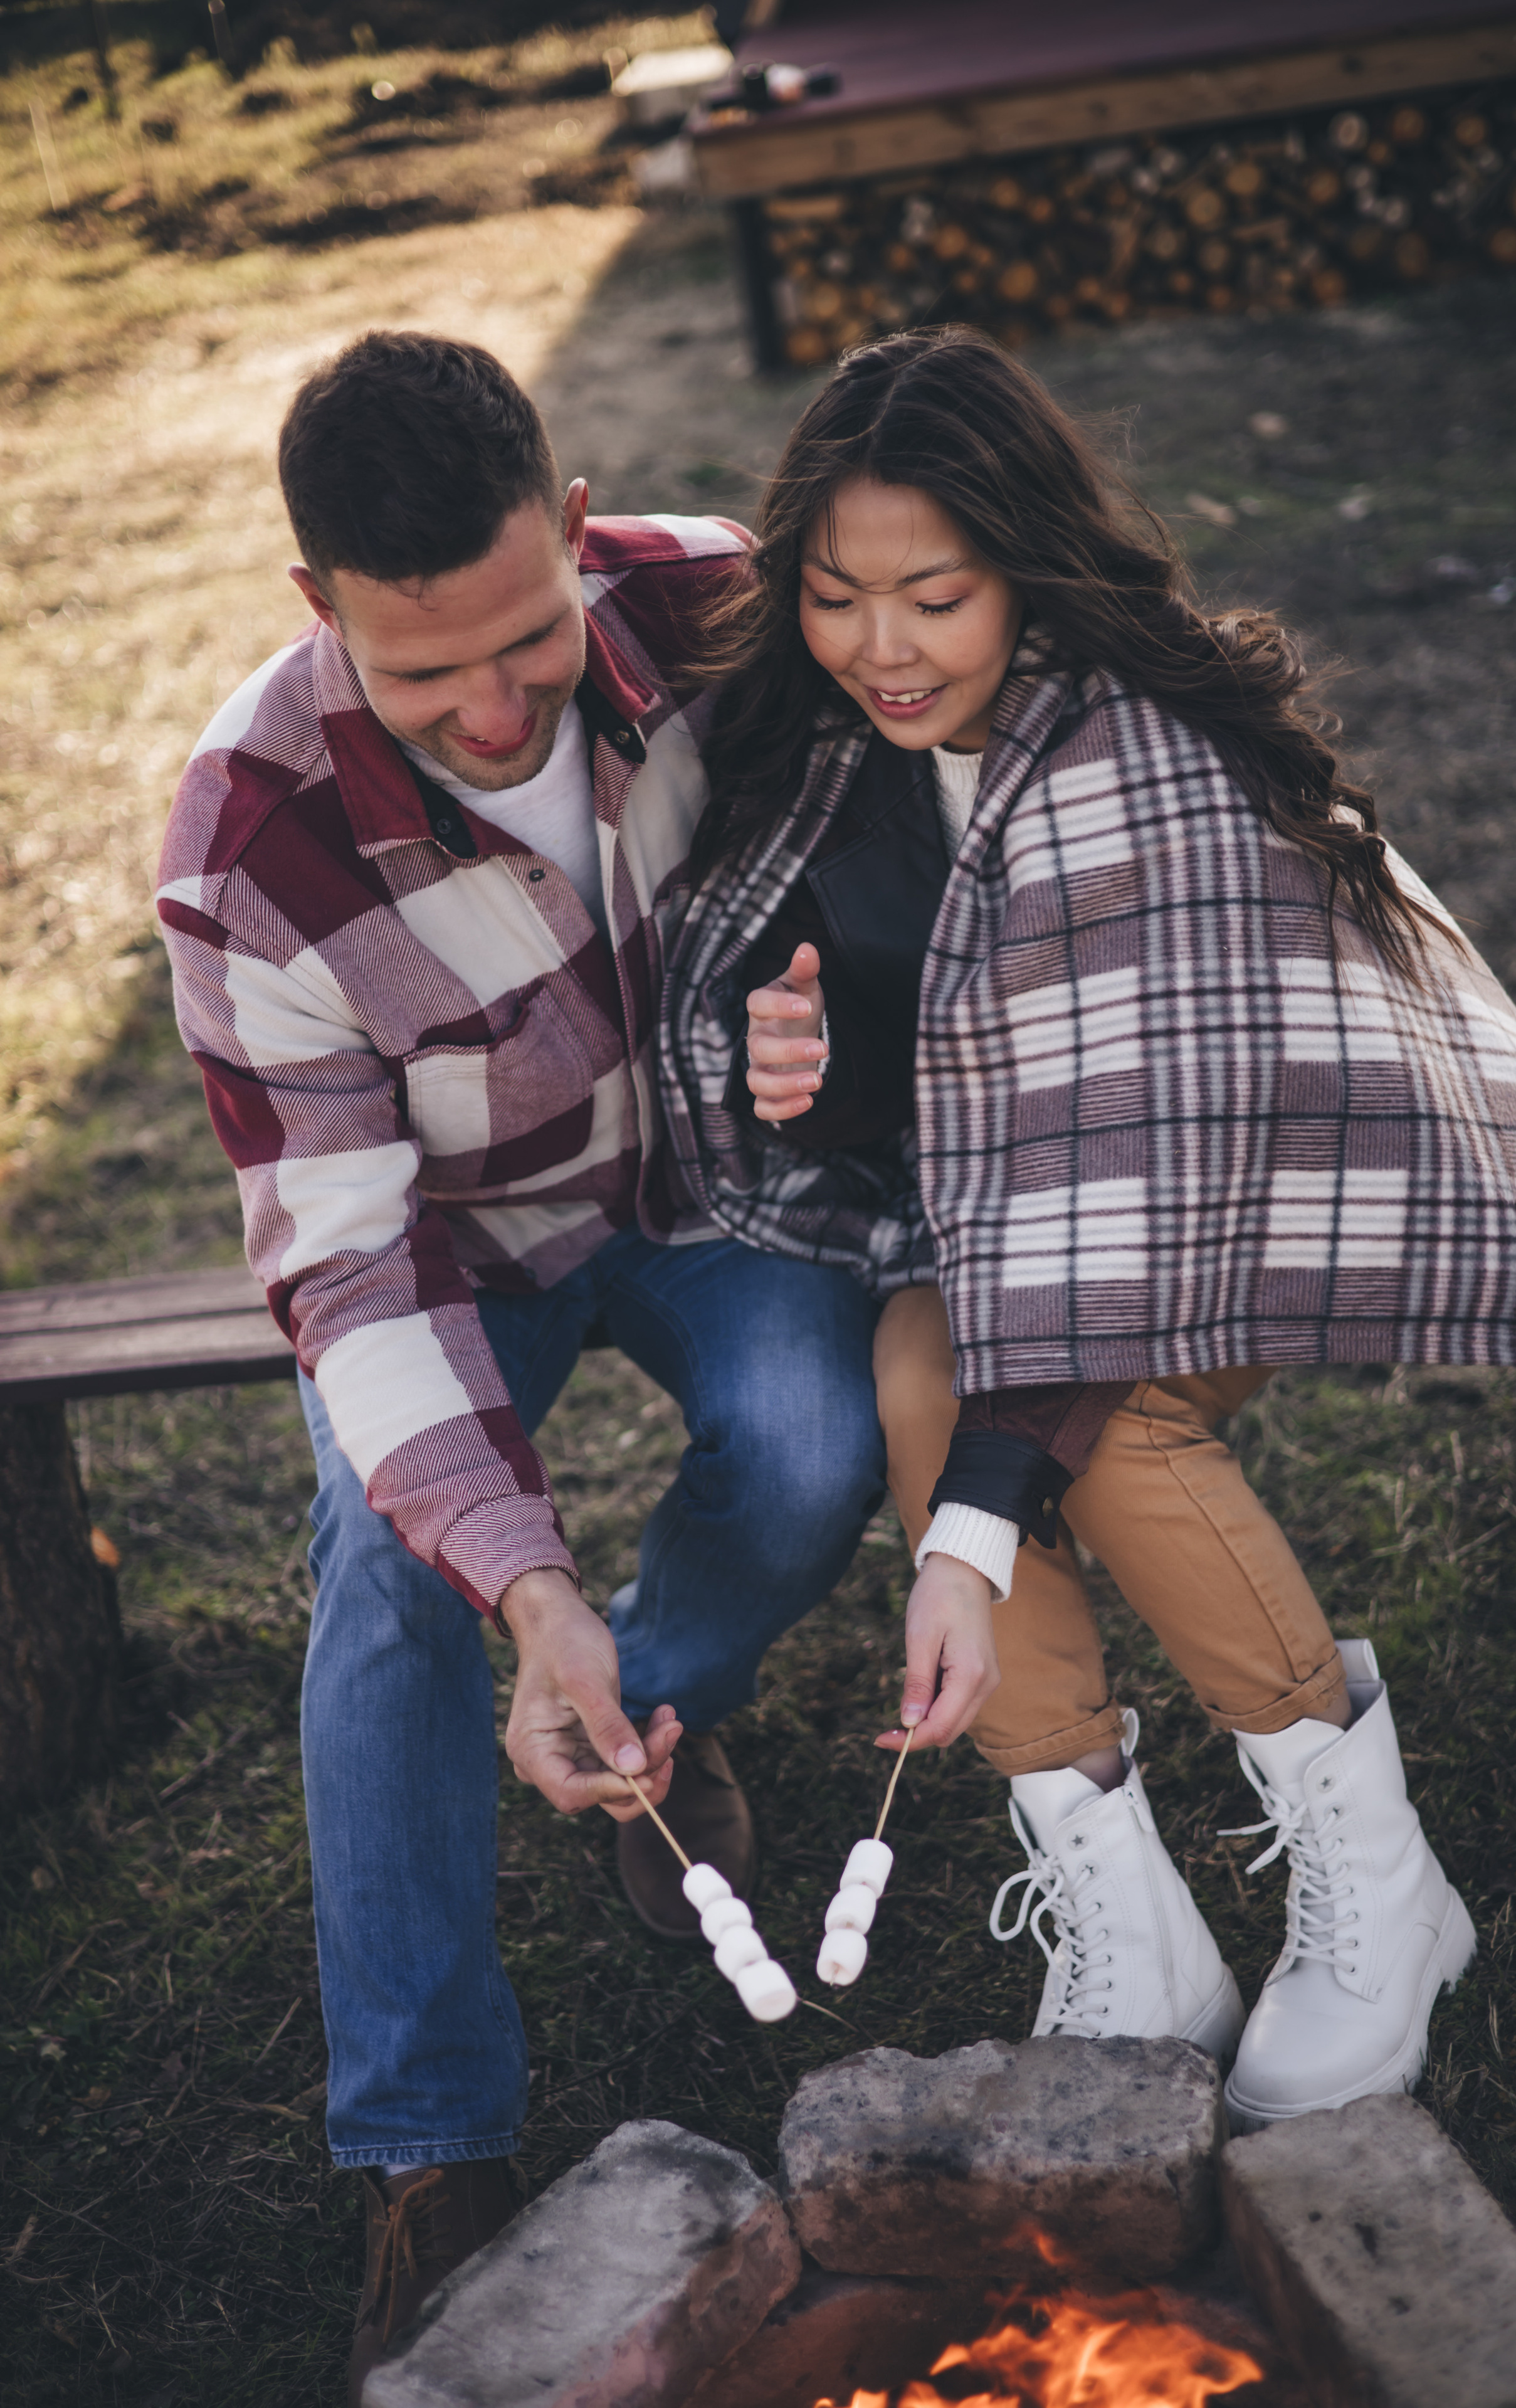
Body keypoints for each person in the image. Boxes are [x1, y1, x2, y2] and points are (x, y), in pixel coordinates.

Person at [660, 324, 1516, 2134]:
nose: (881, 646)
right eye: (837, 597)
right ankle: (1131, 1922)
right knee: (922, 1360)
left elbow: (1121, 1213)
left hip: (1271, 1201)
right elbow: (972, 1093)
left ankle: (1382, 1880)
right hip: (1073, 1231)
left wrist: (962, 1548)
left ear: (1024, 566)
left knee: (1111, 1424)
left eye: (935, 597)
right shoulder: (848, 760)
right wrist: (814, 1079)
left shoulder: (1135, 766)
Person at [155, 332, 887, 2398]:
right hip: (451, 1251)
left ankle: (651, 1713)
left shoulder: (725, 602)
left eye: (529, 641)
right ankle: (431, 2141)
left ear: (574, 532)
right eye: (423, 675)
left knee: (815, 1444)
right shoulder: (247, 851)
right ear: (317, 606)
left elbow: (894, 834)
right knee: (393, 1579)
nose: (492, 710)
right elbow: (346, 1275)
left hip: (709, 1192)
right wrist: (523, 1578)